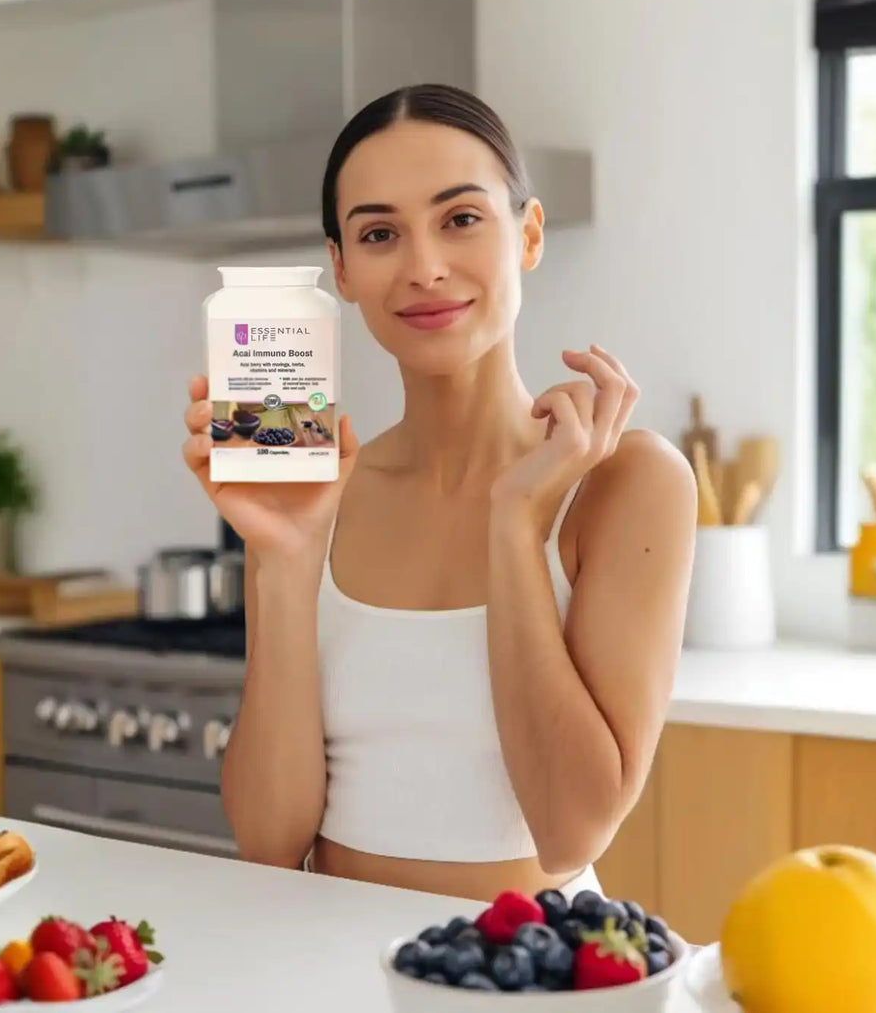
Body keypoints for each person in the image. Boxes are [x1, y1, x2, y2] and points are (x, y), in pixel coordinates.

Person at [182, 84, 696, 902]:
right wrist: (282, 559)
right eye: (380, 233)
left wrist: (515, 524)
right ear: (342, 271)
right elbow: (270, 842)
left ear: (527, 235)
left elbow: (570, 830)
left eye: (460, 219)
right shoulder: (316, 493)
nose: (423, 266)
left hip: (532, 974)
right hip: (324, 967)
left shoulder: (627, 482)